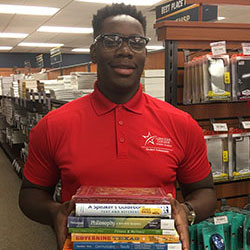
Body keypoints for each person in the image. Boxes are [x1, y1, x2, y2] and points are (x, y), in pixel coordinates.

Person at [19, 3, 217, 250]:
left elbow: (205, 191)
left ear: (145, 51)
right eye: (111, 41)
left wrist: (186, 211)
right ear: (93, 52)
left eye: (136, 41)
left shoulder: (181, 124)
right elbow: (30, 194)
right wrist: (55, 212)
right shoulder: (53, 125)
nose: (125, 50)